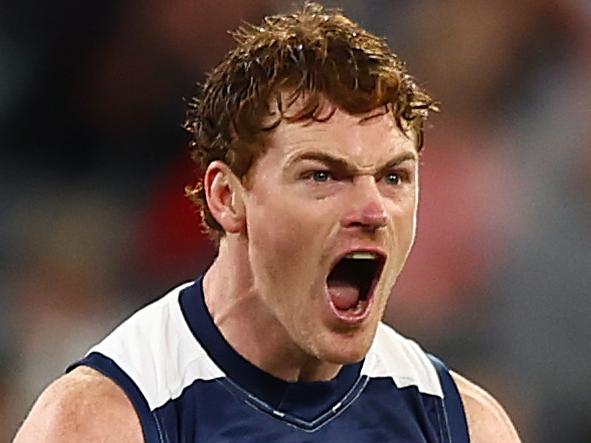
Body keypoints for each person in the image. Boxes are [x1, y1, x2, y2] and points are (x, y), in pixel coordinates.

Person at [14, 3, 521, 442]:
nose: (373, 212)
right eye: (322, 175)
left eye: (394, 177)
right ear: (226, 198)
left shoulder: (462, 425)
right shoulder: (102, 422)